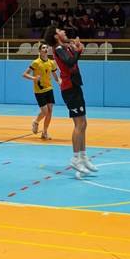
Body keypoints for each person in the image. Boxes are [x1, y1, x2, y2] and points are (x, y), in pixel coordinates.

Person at [43, 25, 97, 175]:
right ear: (56, 36)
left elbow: (74, 55)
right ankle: (75, 158)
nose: (64, 31)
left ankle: (84, 156)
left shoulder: (63, 47)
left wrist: (77, 47)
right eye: (60, 31)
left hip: (75, 85)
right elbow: (70, 62)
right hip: (69, 88)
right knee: (79, 124)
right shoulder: (58, 50)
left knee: (83, 123)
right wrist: (78, 50)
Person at [22, 42, 60, 140]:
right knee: (44, 112)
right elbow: (24, 74)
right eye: (43, 48)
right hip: (39, 90)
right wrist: (34, 78)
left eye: (46, 47)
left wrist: (58, 80)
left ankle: (45, 132)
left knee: (50, 111)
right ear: (39, 50)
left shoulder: (51, 62)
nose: (45, 49)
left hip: (49, 89)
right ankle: (36, 121)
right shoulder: (36, 62)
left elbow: (55, 75)